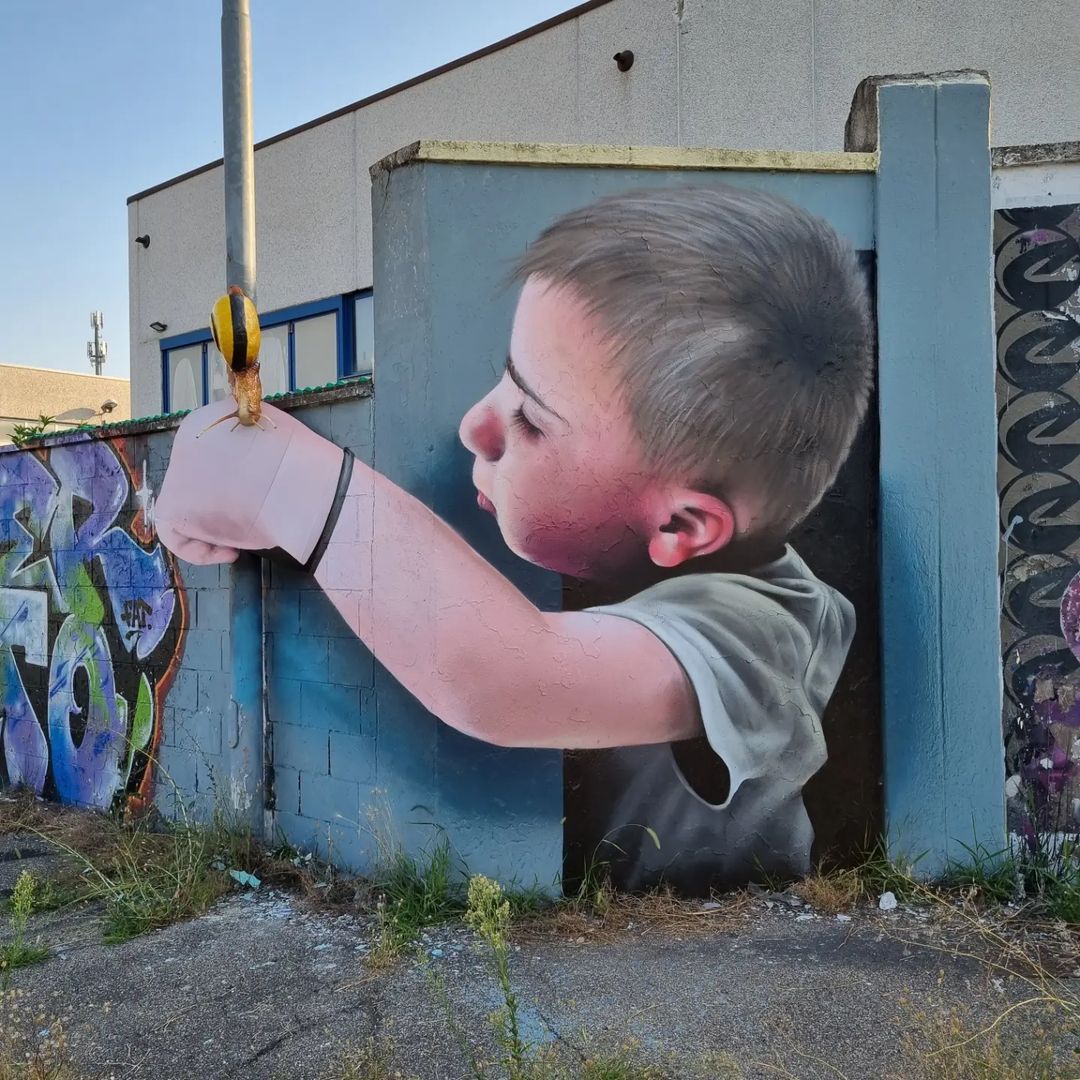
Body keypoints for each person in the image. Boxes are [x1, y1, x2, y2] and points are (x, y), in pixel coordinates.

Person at [155, 185, 873, 892]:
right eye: (505, 377)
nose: (476, 424)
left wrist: (287, 482)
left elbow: (505, 672)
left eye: (530, 418)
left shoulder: (765, 631)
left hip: (698, 971)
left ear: (683, 526)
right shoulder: (633, 559)